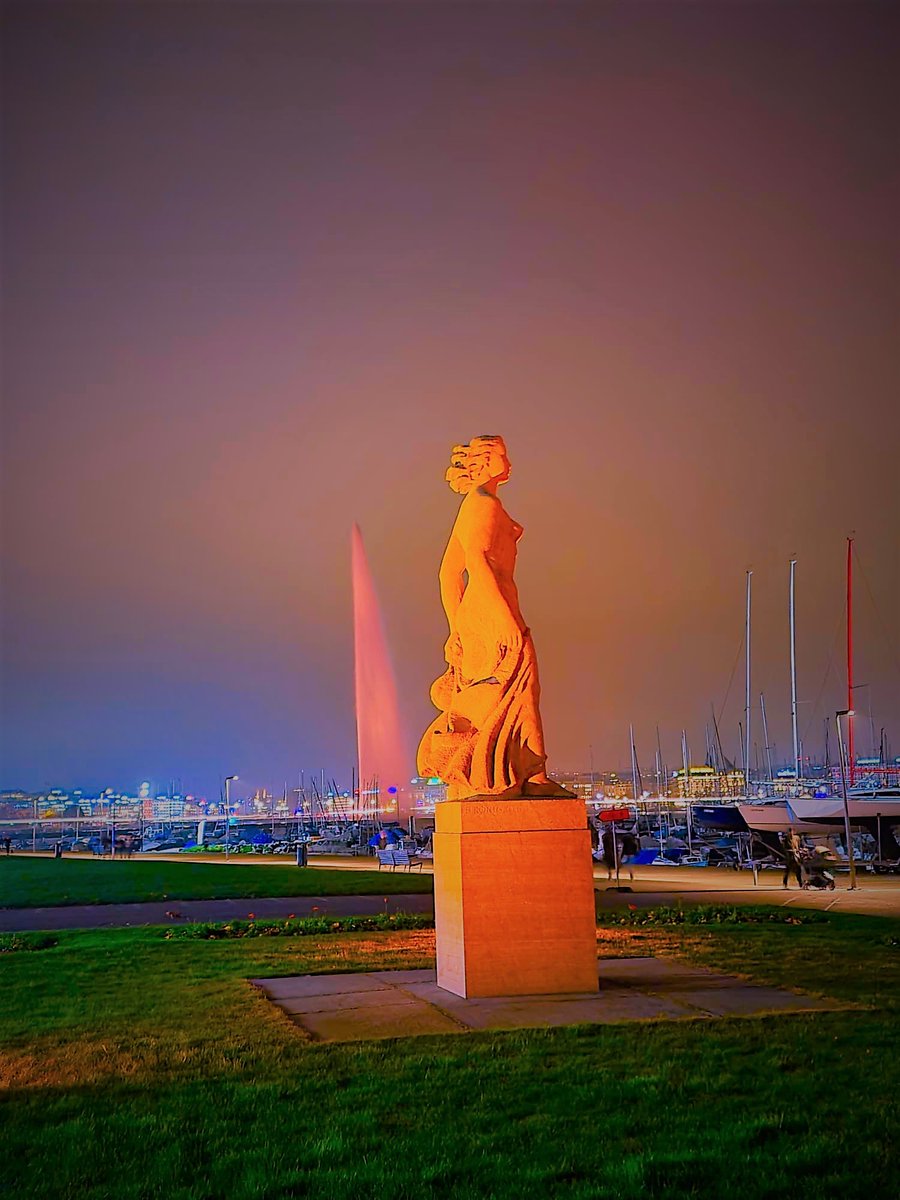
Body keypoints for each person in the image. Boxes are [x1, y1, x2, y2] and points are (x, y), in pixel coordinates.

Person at [418, 436, 571, 800]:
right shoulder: (483, 505)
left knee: (507, 692)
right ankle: (527, 774)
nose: (510, 462)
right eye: (503, 455)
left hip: (481, 610)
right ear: (485, 463)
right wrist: (502, 618)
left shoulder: (475, 505)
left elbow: (447, 575)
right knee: (520, 688)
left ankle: (509, 773)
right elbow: (478, 562)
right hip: (493, 606)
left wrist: (458, 626)